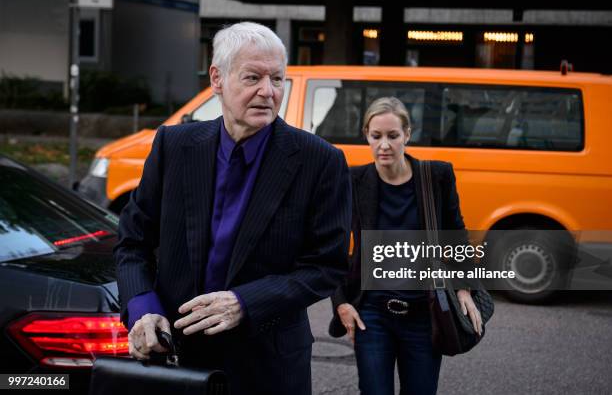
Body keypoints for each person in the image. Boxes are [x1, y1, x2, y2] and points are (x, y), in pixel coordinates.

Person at [115, 22, 351, 395]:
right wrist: (143, 308)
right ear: (217, 78)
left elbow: (327, 266)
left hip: (268, 364)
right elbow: (132, 242)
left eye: (277, 79)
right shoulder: (174, 145)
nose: (268, 92)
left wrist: (245, 302)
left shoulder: (319, 161)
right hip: (176, 356)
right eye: (253, 77)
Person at [329, 97, 482, 395]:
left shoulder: (436, 176)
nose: (384, 144)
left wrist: (464, 286)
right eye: (376, 136)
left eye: (393, 136)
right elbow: (332, 246)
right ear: (367, 136)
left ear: (407, 135)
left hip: (424, 315)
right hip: (371, 314)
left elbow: (456, 234)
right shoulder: (354, 180)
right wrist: (341, 303)